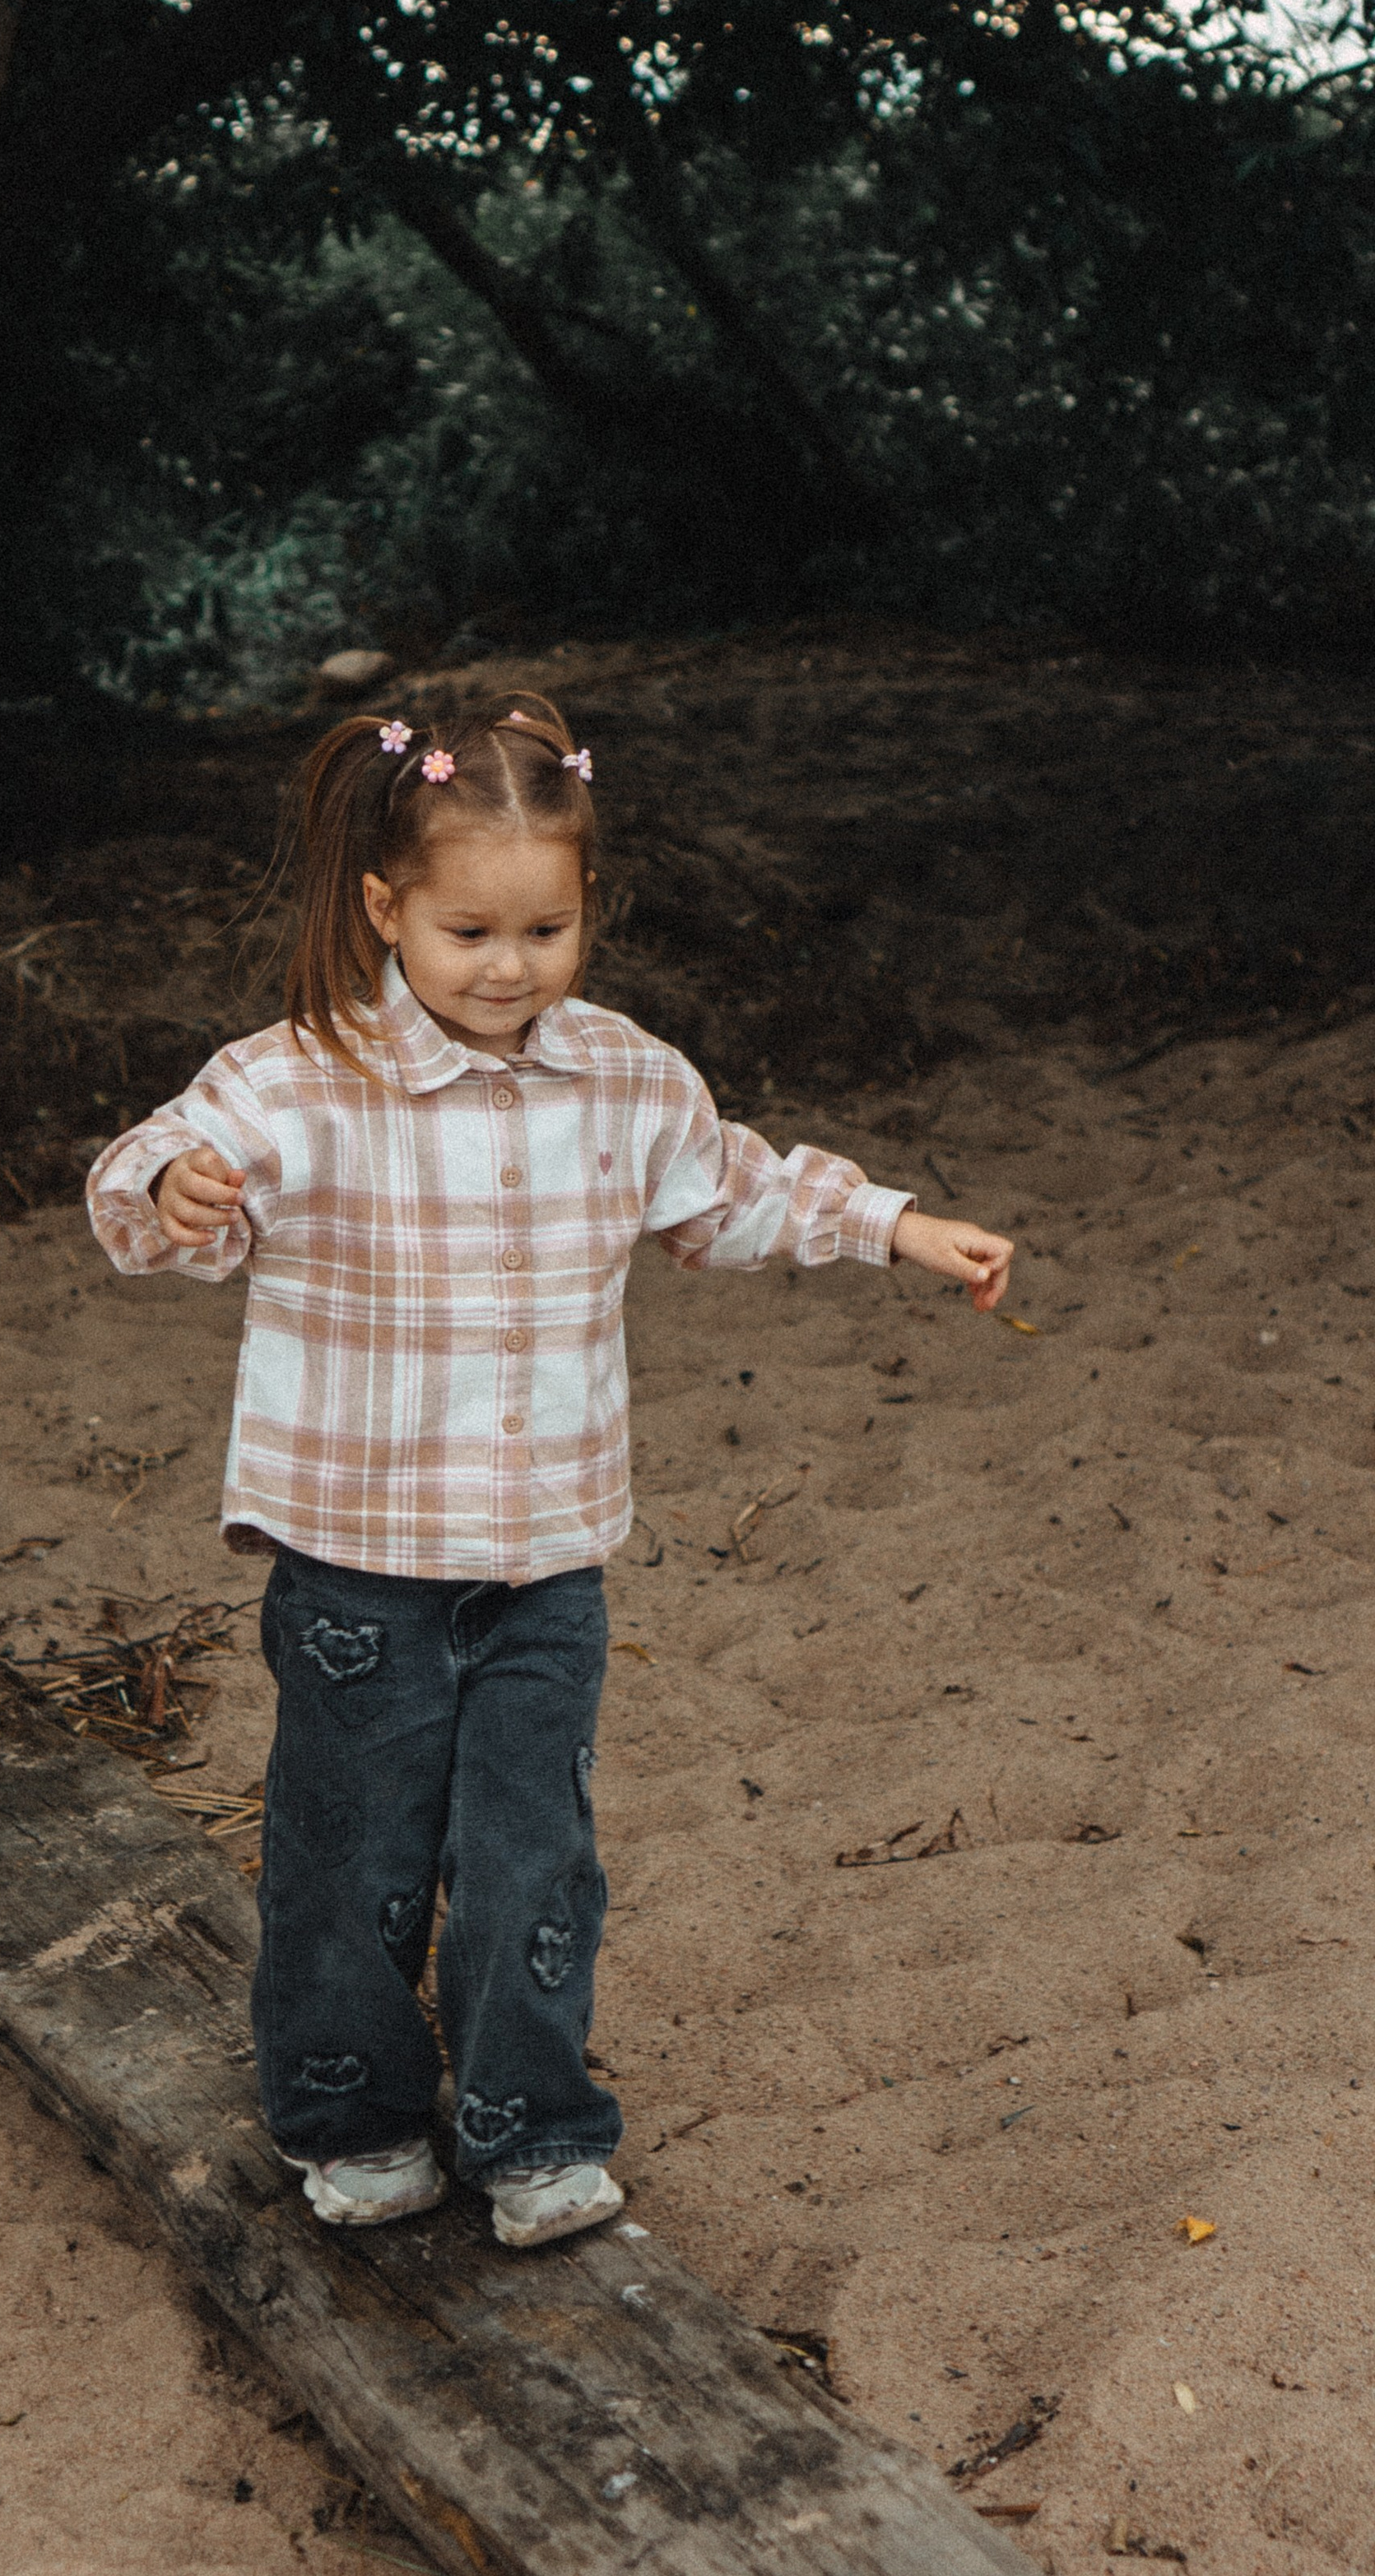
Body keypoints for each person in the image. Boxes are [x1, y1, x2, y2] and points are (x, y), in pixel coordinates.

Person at [86, 695, 1013, 2250]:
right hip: (359, 1570)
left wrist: (901, 1225)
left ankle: (531, 2130)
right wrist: (175, 1197)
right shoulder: (294, 1080)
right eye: (468, 931)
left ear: (588, 914)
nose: (508, 967)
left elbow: (736, 1192)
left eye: (546, 929)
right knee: (351, 1859)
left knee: (534, 1860)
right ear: (387, 912)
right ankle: (359, 2116)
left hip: (547, 1569)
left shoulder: (626, 1080)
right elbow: (138, 1186)